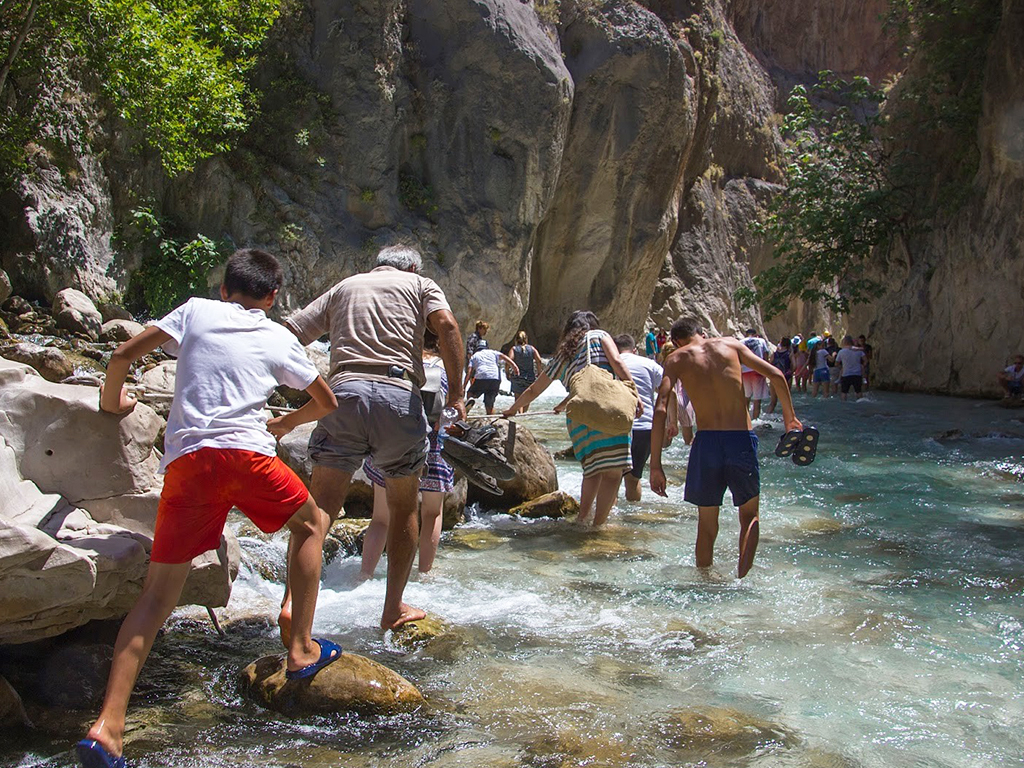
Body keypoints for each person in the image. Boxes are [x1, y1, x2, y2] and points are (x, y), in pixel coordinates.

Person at [76, 249, 339, 768]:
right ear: (271, 298)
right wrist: (284, 425)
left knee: (156, 597)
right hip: (247, 457)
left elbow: (124, 355)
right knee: (313, 523)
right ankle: (301, 645)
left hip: (189, 464)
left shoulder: (195, 310)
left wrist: (114, 404)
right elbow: (326, 401)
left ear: (224, 289)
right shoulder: (278, 335)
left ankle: (107, 728)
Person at [282, 244, 465, 632]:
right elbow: (447, 325)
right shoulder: (420, 283)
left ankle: (292, 602)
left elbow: (290, 333)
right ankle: (392, 608)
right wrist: (457, 395)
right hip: (398, 395)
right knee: (402, 507)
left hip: (342, 393)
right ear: (413, 266)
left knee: (322, 508)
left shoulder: (346, 286)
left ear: (375, 264)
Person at [650, 317, 803, 578]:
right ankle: (741, 579)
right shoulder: (731, 345)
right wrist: (790, 419)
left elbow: (661, 408)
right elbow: (776, 375)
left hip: (707, 443)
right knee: (749, 516)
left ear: (676, 342)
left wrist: (655, 465)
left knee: (707, 524)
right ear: (702, 332)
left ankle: (705, 581)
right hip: (740, 438)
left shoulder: (675, 359)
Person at [504, 310, 638, 526]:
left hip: (580, 418)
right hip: (608, 410)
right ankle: (598, 527)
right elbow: (617, 363)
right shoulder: (599, 336)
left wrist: (512, 409)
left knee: (592, 471)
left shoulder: (563, 355)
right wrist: (634, 393)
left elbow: (535, 390)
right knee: (613, 473)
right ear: (592, 324)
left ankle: (582, 520)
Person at [361, 330, 453, 578]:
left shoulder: (396, 362)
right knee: (432, 513)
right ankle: (424, 575)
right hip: (433, 446)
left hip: (390, 442)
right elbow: (450, 412)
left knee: (381, 517)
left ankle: (364, 574)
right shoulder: (446, 369)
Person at [614, 334, 665, 502]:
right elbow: (668, 391)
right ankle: (632, 517)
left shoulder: (610, 364)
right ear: (634, 350)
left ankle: (608, 520)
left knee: (611, 478)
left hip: (618, 427)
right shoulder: (650, 364)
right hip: (646, 427)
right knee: (634, 478)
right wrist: (672, 421)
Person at [464, 340, 519, 415]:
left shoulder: (475, 356)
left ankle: (470, 400)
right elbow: (505, 358)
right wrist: (515, 367)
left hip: (481, 378)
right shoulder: (493, 352)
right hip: (495, 378)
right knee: (489, 403)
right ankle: (490, 416)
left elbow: (469, 372)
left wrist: (464, 386)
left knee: (470, 392)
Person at [740, 328, 771, 419]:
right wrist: (766, 372)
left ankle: (745, 421)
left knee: (746, 398)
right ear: (755, 334)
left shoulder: (741, 342)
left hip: (745, 372)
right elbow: (765, 356)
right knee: (757, 400)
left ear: (746, 334)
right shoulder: (761, 341)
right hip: (758, 371)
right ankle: (755, 420)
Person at [508, 330, 544, 404]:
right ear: (526, 339)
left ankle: (519, 413)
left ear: (516, 339)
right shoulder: (531, 349)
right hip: (529, 377)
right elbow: (539, 360)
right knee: (527, 399)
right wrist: (539, 372)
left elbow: (509, 360)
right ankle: (524, 414)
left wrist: (507, 372)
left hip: (517, 377)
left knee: (518, 399)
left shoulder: (514, 349)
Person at [836, 335, 867, 401]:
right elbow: (866, 361)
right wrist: (862, 366)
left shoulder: (841, 352)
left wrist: (842, 367)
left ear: (845, 342)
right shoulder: (859, 351)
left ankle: (844, 404)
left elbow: (836, 363)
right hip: (857, 374)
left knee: (844, 392)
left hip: (846, 374)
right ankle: (861, 403)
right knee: (858, 391)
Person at [767, 336, 793, 414]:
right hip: (786, 376)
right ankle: (788, 417)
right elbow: (794, 365)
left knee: (773, 401)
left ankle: (768, 413)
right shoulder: (789, 354)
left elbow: (769, 364)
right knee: (786, 401)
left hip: (775, 377)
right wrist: (791, 372)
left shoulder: (775, 354)